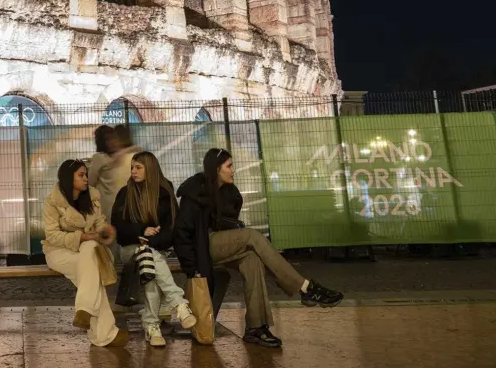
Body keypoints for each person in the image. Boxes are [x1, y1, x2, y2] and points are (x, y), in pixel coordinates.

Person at [172, 148, 344, 347]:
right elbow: (181, 233)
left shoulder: (230, 193)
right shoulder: (195, 191)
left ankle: (256, 327)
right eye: (229, 166)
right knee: (252, 236)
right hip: (202, 248)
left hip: (221, 245)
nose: (233, 170)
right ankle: (305, 287)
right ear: (217, 169)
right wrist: (191, 267)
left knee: (251, 259)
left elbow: (228, 224)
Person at [110, 151, 196, 347]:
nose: (133, 171)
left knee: (149, 266)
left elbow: (172, 228)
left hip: (155, 249)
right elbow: (118, 227)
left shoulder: (164, 192)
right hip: (129, 248)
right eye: (132, 167)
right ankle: (178, 303)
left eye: (138, 167)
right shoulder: (125, 193)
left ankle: (152, 327)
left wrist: (150, 242)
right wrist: (140, 231)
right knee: (149, 258)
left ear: (150, 168)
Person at [43, 159, 129, 348]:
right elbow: (52, 235)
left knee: (90, 252)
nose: (86, 179)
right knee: (92, 269)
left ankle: (85, 310)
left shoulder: (92, 199)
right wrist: (81, 237)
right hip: (59, 252)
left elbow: (99, 223)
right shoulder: (52, 202)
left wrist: (105, 230)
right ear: (68, 178)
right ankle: (104, 333)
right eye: (81, 175)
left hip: (86, 250)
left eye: (86, 175)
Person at [89, 124, 142, 222]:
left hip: (119, 207)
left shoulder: (127, 157)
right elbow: (90, 183)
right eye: (107, 140)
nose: (112, 142)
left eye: (113, 138)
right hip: (110, 208)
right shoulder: (101, 158)